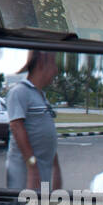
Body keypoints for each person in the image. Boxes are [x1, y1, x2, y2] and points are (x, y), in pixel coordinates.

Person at [6, 51, 62, 191]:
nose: (56, 70)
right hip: (26, 172)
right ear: (42, 62)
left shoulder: (40, 95)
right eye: (53, 64)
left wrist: (56, 168)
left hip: (42, 170)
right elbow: (16, 127)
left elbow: (46, 134)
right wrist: (32, 166)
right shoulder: (19, 92)